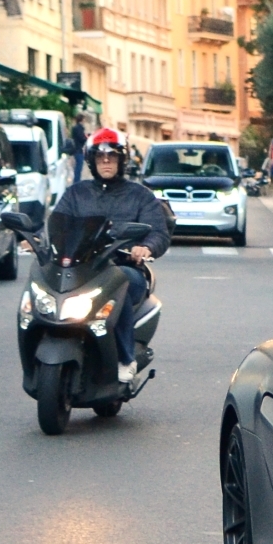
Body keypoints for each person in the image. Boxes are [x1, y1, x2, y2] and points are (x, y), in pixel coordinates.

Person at [45, 128, 169, 383]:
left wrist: (146, 247)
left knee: (118, 281)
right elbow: (57, 223)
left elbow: (158, 232)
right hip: (82, 268)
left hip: (125, 268)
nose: (106, 161)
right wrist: (37, 239)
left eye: (112, 156)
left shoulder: (140, 196)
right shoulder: (76, 194)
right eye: (100, 157)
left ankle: (126, 358)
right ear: (90, 160)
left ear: (121, 160)